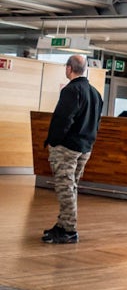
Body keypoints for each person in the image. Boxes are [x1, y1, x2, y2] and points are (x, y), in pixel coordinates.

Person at [42, 54, 103, 244]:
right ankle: (63, 224)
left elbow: (63, 120)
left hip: (67, 147)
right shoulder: (95, 93)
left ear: (69, 68)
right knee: (71, 186)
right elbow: (97, 122)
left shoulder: (71, 90)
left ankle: (68, 229)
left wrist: (53, 141)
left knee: (65, 187)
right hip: (85, 147)